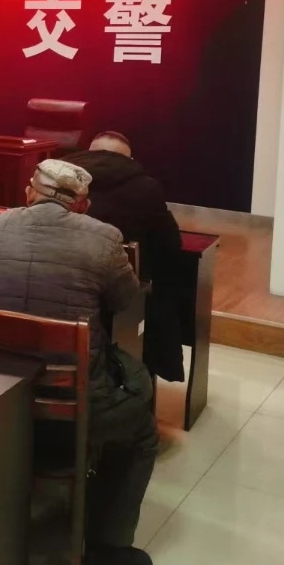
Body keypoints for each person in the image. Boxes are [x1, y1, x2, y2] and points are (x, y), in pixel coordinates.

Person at [0, 159, 157, 565]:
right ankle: (108, 549)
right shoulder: (105, 238)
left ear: (29, 192)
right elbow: (125, 299)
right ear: (82, 204)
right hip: (68, 402)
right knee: (141, 429)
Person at [66, 131, 188, 381]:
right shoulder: (146, 188)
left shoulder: (59, 182)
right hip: (117, 299)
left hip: (64, 287)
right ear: (129, 161)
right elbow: (170, 244)